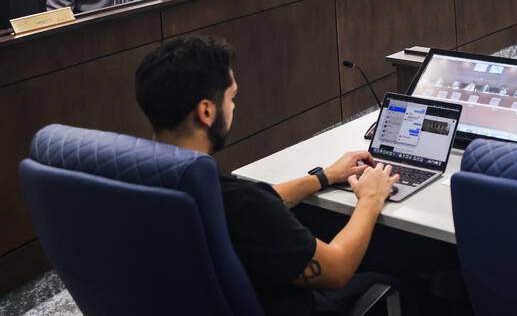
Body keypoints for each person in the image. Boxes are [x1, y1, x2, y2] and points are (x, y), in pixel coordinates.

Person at [133, 36, 401, 316]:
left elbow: (256, 203)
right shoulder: (241, 204)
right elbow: (337, 270)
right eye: (231, 97)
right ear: (206, 111)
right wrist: (371, 197)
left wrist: (324, 177)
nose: (234, 107)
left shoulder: (143, 177)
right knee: (398, 271)